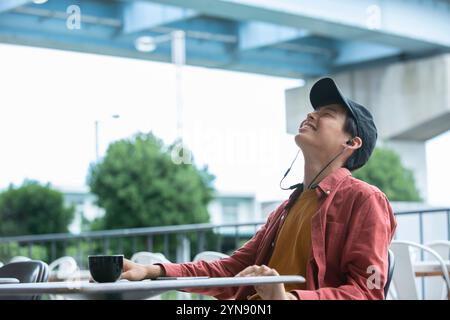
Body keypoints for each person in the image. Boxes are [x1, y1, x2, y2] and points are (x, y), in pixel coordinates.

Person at [120, 77, 397, 300]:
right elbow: (230, 270)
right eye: (313, 110)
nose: (311, 115)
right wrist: (153, 271)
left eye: (327, 114)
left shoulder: (364, 200)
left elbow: (366, 292)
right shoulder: (285, 209)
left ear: (352, 143)